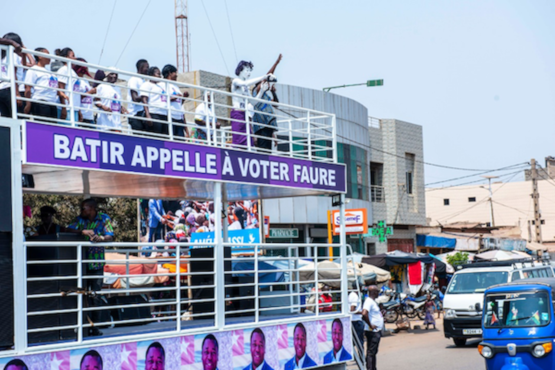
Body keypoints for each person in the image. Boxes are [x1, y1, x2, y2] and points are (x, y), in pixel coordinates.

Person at [67, 198, 114, 336]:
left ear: (92, 208)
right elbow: (67, 229)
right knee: (80, 294)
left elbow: (110, 236)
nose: (82, 211)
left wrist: (101, 238)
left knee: (95, 296)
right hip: (81, 263)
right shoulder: (80, 220)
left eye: (84, 208)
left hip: (97, 263)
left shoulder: (104, 219)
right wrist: (83, 232)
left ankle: (94, 327)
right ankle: (81, 326)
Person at [230, 61, 273, 148]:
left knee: (248, 142)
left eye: (250, 71)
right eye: (247, 70)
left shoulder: (245, 87)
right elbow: (245, 83)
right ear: (240, 70)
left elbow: (253, 102)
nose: (249, 73)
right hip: (237, 114)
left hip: (245, 115)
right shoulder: (236, 81)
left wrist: (261, 91)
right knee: (238, 141)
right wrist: (263, 77)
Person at [23, 48, 68, 122]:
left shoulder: (50, 73)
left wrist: (62, 94)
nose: (49, 57)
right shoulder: (33, 70)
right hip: (40, 101)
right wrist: (28, 104)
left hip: (52, 102)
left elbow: (54, 88)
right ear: (40, 56)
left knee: (52, 127)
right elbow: (28, 88)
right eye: (47, 55)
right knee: (42, 127)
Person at [252, 54, 282, 150]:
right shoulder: (256, 91)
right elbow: (266, 78)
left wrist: (273, 93)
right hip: (261, 128)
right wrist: (276, 63)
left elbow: (276, 104)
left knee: (267, 153)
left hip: (268, 128)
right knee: (263, 153)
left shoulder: (266, 96)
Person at [0, 32, 31, 118]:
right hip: (11, 89)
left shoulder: (3, 57)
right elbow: (13, 74)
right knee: (18, 117)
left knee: (7, 119)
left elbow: (24, 66)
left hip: (2, 89)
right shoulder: (13, 55)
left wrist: (24, 53)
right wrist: (16, 94)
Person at [162, 64, 190, 138]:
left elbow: (180, 103)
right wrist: (174, 97)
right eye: (175, 73)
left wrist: (184, 97)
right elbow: (163, 99)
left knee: (180, 141)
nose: (176, 75)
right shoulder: (163, 85)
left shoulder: (176, 87)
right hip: (170, 117)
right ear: (169, 73)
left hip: (179, 118)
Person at [140, 66, 169, 135]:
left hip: (164, 114)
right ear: (152, 75)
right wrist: (148, 115)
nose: (160, 76)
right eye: (158, 74)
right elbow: (144, 100)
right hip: (154, 113)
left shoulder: (161, 86)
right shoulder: (146, 85)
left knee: (164, 137)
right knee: (156, 135)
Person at [362, 285, 384, 370]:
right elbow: (364, 313)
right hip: (373, 331)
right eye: (377, 291)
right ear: (374, 292)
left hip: (376, 330)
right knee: (371, 352)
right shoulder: (369, 301)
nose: (378, 293)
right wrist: (371, 325)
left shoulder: (372, 302)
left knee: (373, 352)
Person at [54, 47, 77, 121]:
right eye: (72, 56)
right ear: (66, 57)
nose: (75, 58)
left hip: (73, 107)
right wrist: (64, 108)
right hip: (66, 107)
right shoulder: (63, 70)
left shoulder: (72, 71)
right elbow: (61, 89)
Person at [127, 59, 149, 132]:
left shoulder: (143, 81)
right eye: (147, 67)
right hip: (134, 114)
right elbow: (135, 98)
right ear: (141, 68)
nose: (148, 69)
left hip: (142, 113)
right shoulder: (134, 79)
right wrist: (145, 96)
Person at [72, 58, 95, 125]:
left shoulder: (85, 80)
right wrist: (90, 92)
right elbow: (76, 97)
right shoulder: (75, 79)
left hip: (90, 115)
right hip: (82, 115)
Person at [349, 283, 365, 348]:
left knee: (354, 341)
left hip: (353, 320)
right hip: (356, 321)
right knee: (360, 341)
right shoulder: (355, 296)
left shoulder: (351, 295)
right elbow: (352, 309)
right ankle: (361, 357)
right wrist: (362, 313)